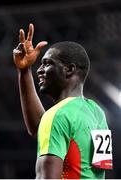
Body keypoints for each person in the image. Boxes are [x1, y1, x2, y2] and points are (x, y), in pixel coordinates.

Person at [13, 23, 113, 179]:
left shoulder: (57, 116)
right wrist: (24, 70)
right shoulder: (97, 112)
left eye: (47, 64)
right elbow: (40, 128)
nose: (39, 70)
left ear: (69, 69)